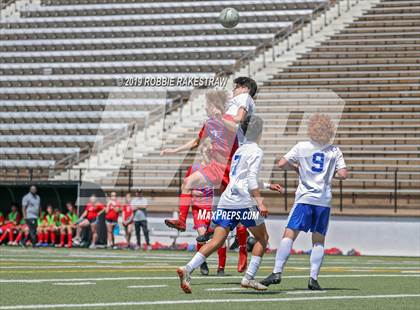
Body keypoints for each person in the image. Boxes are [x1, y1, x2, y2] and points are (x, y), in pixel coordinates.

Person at [176, 115, 284, 293]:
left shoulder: (239, 150)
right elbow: (249, 180)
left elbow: (238, 178)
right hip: (243, 202)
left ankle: (187, 268)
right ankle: (248, 278)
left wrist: (267, 185)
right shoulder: (256, 151)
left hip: (227, 200)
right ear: (260, 131)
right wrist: (260, 202)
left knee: (217, 241)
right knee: (263, 238)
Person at [260, 113, 348, 290]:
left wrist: (295, 168)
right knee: (318, 240)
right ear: (329, 130)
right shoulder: (334, 150)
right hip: (323, 200)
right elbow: (343, 175)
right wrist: (329, 174)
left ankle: (277, 272)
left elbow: (281, 163)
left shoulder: (302, 146)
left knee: (289, 235)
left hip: (304, 199)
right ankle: (313, 278)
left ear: (311, 129)